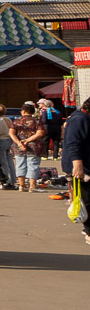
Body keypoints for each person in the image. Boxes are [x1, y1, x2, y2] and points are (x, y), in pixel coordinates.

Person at [59, 99, 90, 245]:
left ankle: (87, 229)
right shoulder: (79, 120)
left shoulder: (81, 117)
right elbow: (73, 143)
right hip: (83, 167)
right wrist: (77, 165)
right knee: (87, 199)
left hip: (83, 165)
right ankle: (89, 231)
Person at [9, 103, 45, 192]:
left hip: (19, 147)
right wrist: (28, 140)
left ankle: (22, 185)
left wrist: (19, 143)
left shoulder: (16, 121)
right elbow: (40, 133)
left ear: (24, 111)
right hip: (34, 146)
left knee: (20, 165)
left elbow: (11, 133)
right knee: (33, 165)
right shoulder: (36, 121)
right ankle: (32, 186)